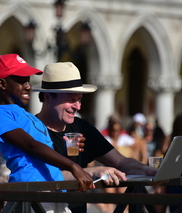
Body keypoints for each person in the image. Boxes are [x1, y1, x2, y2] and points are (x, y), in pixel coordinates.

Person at [32, 62, 157, 213]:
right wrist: (93, 171)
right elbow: (42, 176)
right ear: (48, 97)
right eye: (72, 100)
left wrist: (146, 170)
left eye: (80, 99)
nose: (78, 106)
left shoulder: (82, 127)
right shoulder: (31, 129)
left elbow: (120, 161)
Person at [0, 54, 98, 213]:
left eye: (28, 81)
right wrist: (74, 166)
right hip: (31, 192)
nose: (28, 86)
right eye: (22, 81)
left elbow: (46, 159)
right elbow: (30, 145)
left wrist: (68, 154)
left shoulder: (31, 117)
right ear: (3, 84)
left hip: (54, 192)